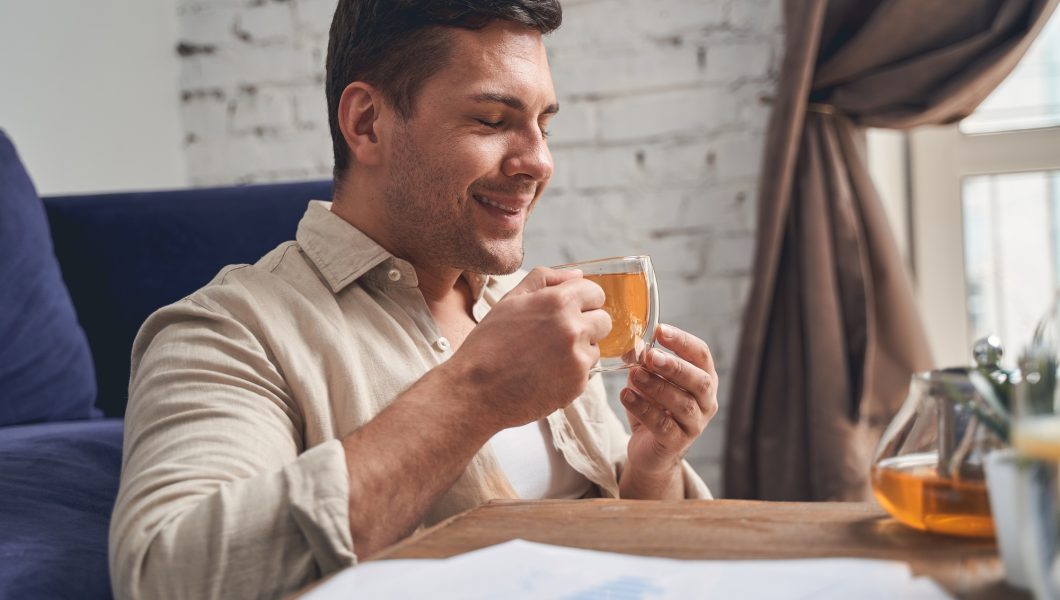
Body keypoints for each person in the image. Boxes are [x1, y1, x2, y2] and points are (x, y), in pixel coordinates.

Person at [109, 1, 719, 598]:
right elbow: (167, 575)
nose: (540, 161)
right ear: (367, 123)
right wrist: (474, 394)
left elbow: (633, 547)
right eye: (491, 120)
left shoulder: (526, 307)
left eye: (544, 124)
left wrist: (650, 470)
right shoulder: (231, 329)